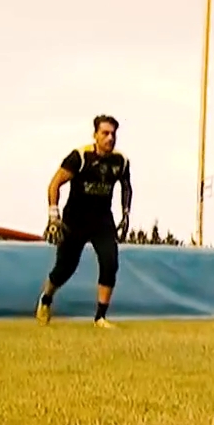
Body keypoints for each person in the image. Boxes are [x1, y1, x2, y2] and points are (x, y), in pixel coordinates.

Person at [36, 115, 132, 328]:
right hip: (75, 220)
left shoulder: (121, 161)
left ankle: (100, 317)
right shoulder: (80, 156)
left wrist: (126, 213)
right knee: (65, 268)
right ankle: (46, 298)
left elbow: (126, 186)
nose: (110, 138)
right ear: (95, 135)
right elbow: (55, 184)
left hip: (102, 220)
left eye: (113, 134)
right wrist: (53, 215)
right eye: (105, 133)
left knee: (110, 262)